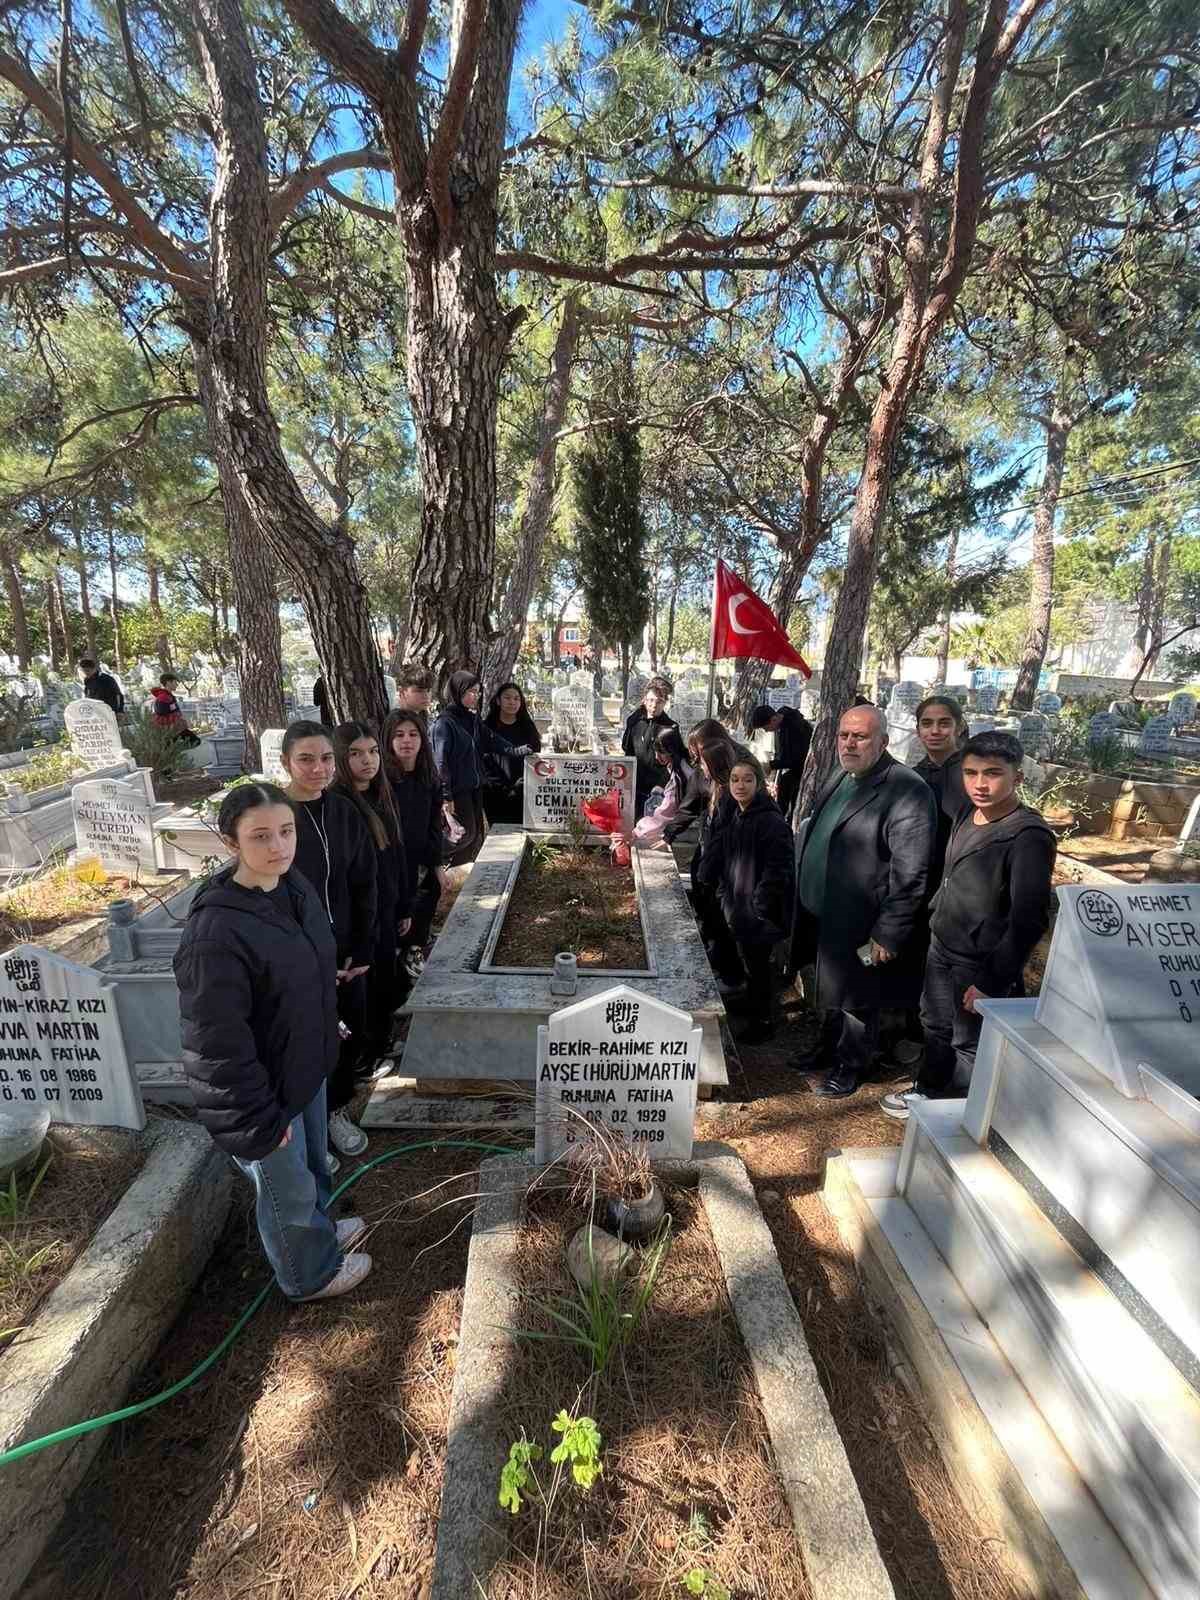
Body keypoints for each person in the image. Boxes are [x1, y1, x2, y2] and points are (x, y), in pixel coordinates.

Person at [173, 783, 371, 1301]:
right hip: (264, 1090)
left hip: (303, 1064)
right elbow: (215, 1043)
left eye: (286, 831)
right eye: (260, 836)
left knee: (310, 1170)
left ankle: (321, 1239)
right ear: (231, 841)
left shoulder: (290, 885)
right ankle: (310, 1275)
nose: (279, 846)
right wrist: (256, 1120)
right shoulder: (216, 932)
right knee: (287, 1191)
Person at [881, 732, 1056, 1119]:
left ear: (1018, 778)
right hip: (943, 945)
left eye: (993, 773)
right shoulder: (967, 813)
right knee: (935, 1022)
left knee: (969, 1040)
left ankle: (957, 1113)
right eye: (971, 772)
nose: (980, 783)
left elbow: (1029, 919)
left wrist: (991, 981)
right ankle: (927, 1090)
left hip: (979, 960)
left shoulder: (1028, 835)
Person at [790, 704, 936, 1098]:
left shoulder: (906, 789)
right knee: (832, 986)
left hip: (862, 917)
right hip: (825, 910)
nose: (849, 743)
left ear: (884, 742)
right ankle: (826, 1048)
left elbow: (911, 873)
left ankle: (852, 1064)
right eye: (844, 735)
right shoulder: (843, 774)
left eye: (861, 736)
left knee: (858, 997)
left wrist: (889, 933)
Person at [280, 721, 378, 1161]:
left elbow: (364, 882)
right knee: (305, 1038)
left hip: (348, 951)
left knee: (347, 1033)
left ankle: (335, 1111)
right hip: (299, 956)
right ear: (286, 762)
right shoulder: (277, 818)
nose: (318, 768)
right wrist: (309, 958)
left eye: (324, 758)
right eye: (305, 759)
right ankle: (308, 1128)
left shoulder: (342, 811)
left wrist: (363, 945)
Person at [695, 753, 794, 1044]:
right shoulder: (738, 814)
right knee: (749, 963)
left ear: (759, 784)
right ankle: (752, 1004)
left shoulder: (771, 821)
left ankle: (763, 1021)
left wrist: (759, 905)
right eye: (735, 780)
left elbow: (779, 868)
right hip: (739, 906)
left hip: (759, 912)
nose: (740, 785)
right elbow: (726, 857)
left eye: (748, 780)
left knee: (759, 967)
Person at [331, 721, 411, 1066]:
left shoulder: (382, 794)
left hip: (388, 906)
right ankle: (366, 1057)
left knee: (386, 979)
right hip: (363, 916)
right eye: (356, 754)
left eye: (373, 751)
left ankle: (381, 1042)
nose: (368, 761)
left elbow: (397, 855)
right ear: (339, 758)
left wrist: (405, 905)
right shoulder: (339, 804)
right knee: (369, 986)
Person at [430, 671, 529, 866]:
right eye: (471, 692)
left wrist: (519, 750)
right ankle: (429, 856)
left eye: (478, 692)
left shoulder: (471, 719)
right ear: (458, 692)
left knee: (474, 836)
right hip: (458, 790)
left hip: (474, 786)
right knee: (464, 834)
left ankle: (456, 872)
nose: (476, 696)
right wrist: (446, 795)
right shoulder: (444, 723)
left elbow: (492, 740)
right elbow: (440, 762)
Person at [383, 708, 450, 982]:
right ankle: (393, 962)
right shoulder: (382, 781)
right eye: (398, 735)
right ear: (388, 740)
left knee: (429, 891)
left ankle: (413, 949)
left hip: (420, 858)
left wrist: (436, 865)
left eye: (412, 734)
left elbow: (434, 825)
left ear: (422, 739)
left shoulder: (429, 778)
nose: (406, 741)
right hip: (390, 862)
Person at [689, 736, 750, 996]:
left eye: (703, 763)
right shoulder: (718, 790)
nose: (700, 768)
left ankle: (733, 978)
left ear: (714, 766)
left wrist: (708, 871)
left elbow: (721, 840)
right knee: (716, 925)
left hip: (724, 877)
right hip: (715, 873)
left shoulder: (727, 797)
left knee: (723, 928)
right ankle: (722, 967)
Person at [912, 694, 969, 886]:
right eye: (927, 724)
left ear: (959, 728)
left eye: (944, 724)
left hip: (960, 879)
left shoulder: (974, 776)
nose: (935, 731)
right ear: (918, 730)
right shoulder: (912, 777)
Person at [482, 682, 542, 825]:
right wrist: (503, 787)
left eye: (516, 698)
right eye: (507, 698)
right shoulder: (487, 727)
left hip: (524, 790)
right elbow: (484, 760)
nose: (512, 702)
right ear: (498, 701)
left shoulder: (527, 727)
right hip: (495, 794)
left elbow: (535, 757)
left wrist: (522, 783)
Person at [622, 677, 680, 815]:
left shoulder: (671, 728)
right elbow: (627, 751)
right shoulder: (634, 722)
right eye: (651, 700)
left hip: (658, 790)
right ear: (645, 699)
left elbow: (675, 762)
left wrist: (661, 786)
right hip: (635, 787)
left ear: (665, 702)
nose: (654, 705)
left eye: (659, 701)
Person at [748, 702, 813, 824]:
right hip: (792, 773)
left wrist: (771, 765)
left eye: (765, 727)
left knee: (793, 808)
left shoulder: (794, 727)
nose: (766, 731)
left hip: (801, 774)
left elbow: (796, 759)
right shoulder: (783, 723)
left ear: (773, 719)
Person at [633, 726, 694, 848]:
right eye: (655, 751)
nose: (657, 757)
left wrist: (640, 829)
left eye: (661, 752)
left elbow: (665, 815)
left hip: (687, 830)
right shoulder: (680, 764)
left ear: (672, 750)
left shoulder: (680, 775)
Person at [150, 673, 201, 747]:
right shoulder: (163, 697)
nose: (176, 684)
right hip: (171, 730)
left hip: (176, 729)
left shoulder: (169, 696)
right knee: (195, 741)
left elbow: (173, 711)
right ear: (168, 682)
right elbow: (160, 712)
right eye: (175, 682)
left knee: (195, 741)